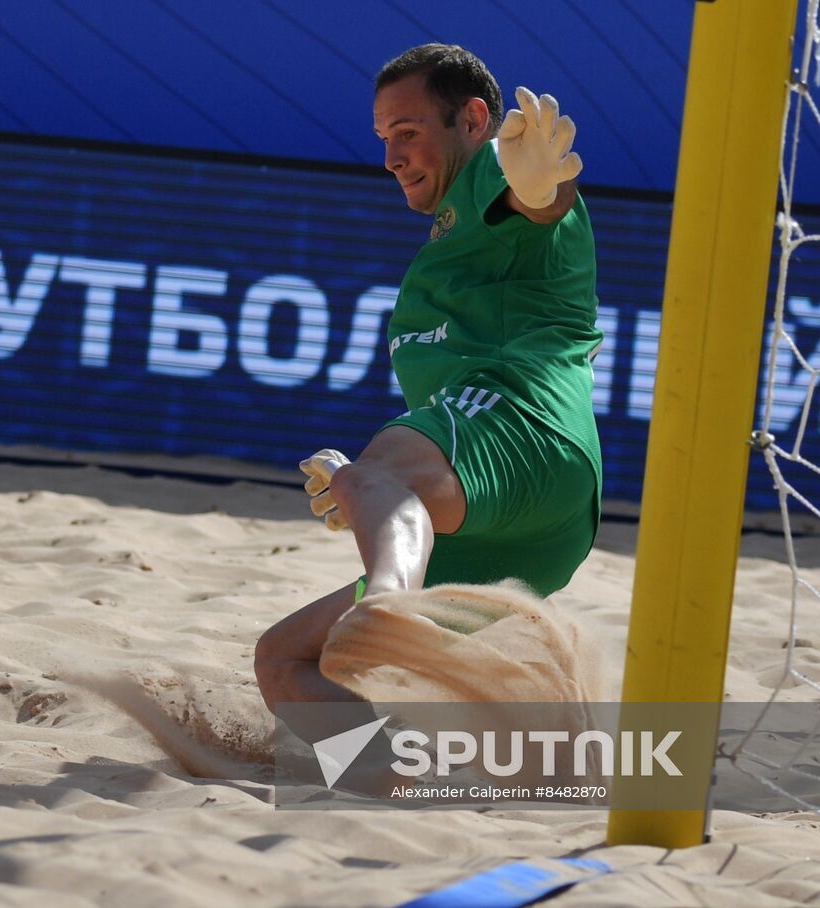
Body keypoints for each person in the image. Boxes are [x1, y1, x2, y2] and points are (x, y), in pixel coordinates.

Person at [255, 44, 603, 713]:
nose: (391, 157)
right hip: (531, 540)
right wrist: (387, 500)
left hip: (529, 433)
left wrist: (543, 186)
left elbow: (542, 199)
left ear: (473, 120)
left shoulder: (492, 177)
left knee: (373, 470)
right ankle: (383, 777)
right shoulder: (446, 247)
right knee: (285, 660)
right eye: (385, 138)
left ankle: (388, 603)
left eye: (408, 134)